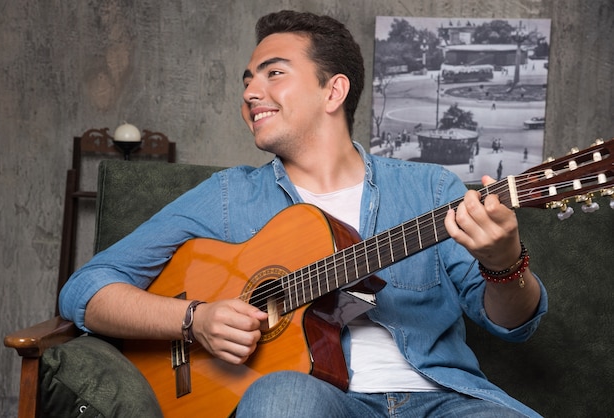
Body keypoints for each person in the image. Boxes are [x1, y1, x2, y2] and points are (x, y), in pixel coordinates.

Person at [59, 10, 547, 418]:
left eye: (274, 73)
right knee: (280, 398)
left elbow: (514, 323)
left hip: (440, 401)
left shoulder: (431, 188)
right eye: (248, 79)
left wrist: (505, 262)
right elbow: (86, 290)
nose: (250, 92)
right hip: (315, 400)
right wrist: (195, 318)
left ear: (333, 92)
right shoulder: (228, 196)